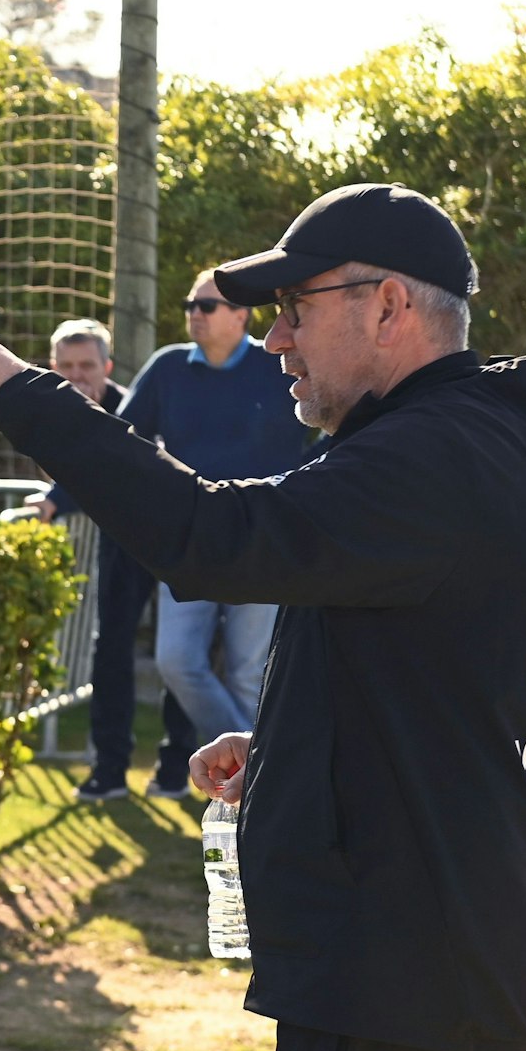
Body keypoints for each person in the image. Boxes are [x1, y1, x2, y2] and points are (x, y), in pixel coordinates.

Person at [0, 182, 526, 1051]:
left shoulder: (433, 458)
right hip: (425, 978)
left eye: (295, 308)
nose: (274, 340)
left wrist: (22, 395)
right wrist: (292, 745)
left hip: (408, 993)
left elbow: (213, 537)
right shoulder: (461, 446)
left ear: (388, 304)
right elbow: (446, 686)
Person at [76, 271, 312, 803]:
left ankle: (253, 795)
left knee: (249, 673)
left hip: (266, 541)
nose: (194, 314)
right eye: (190, 305)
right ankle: (264, 769)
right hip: (191, 540)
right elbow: (118, 441)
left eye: (206, 306)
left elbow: (333, 429)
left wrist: (306, 494)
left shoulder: (279, 364)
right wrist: (58, 497)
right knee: (177, 660)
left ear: (240, 316)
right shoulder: (167, 368)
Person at [13, 320, 198, 803]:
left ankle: (176, 768)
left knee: (179, 653)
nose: (77, 376)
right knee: (110, 650)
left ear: (107, 367)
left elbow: (109, 468)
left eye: (87, 366)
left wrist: (55, 500)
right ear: (52, 367)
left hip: (173, 537)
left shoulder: (134, 407)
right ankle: (110, 770)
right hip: (122, 542)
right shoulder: (48, 408)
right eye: (66, 366)